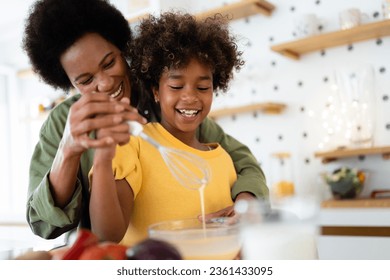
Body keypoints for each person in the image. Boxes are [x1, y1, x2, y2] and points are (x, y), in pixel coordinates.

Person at [22, 0, 269, 241]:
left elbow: (242, 162)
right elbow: (43, 224)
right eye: (86, 80)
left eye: (110, 63)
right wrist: (68, 151)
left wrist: (246, 201)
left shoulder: (168, 103)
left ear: (121, 49)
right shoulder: (62, 122)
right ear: (68, 83)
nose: (106, 83)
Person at [89, 11, 249, 245]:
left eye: (203, 88)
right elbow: (106, 235)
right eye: (176, 85)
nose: (190, 97)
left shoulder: (224, 161)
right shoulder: (133, 147)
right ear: (156, 90)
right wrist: (103, 158)